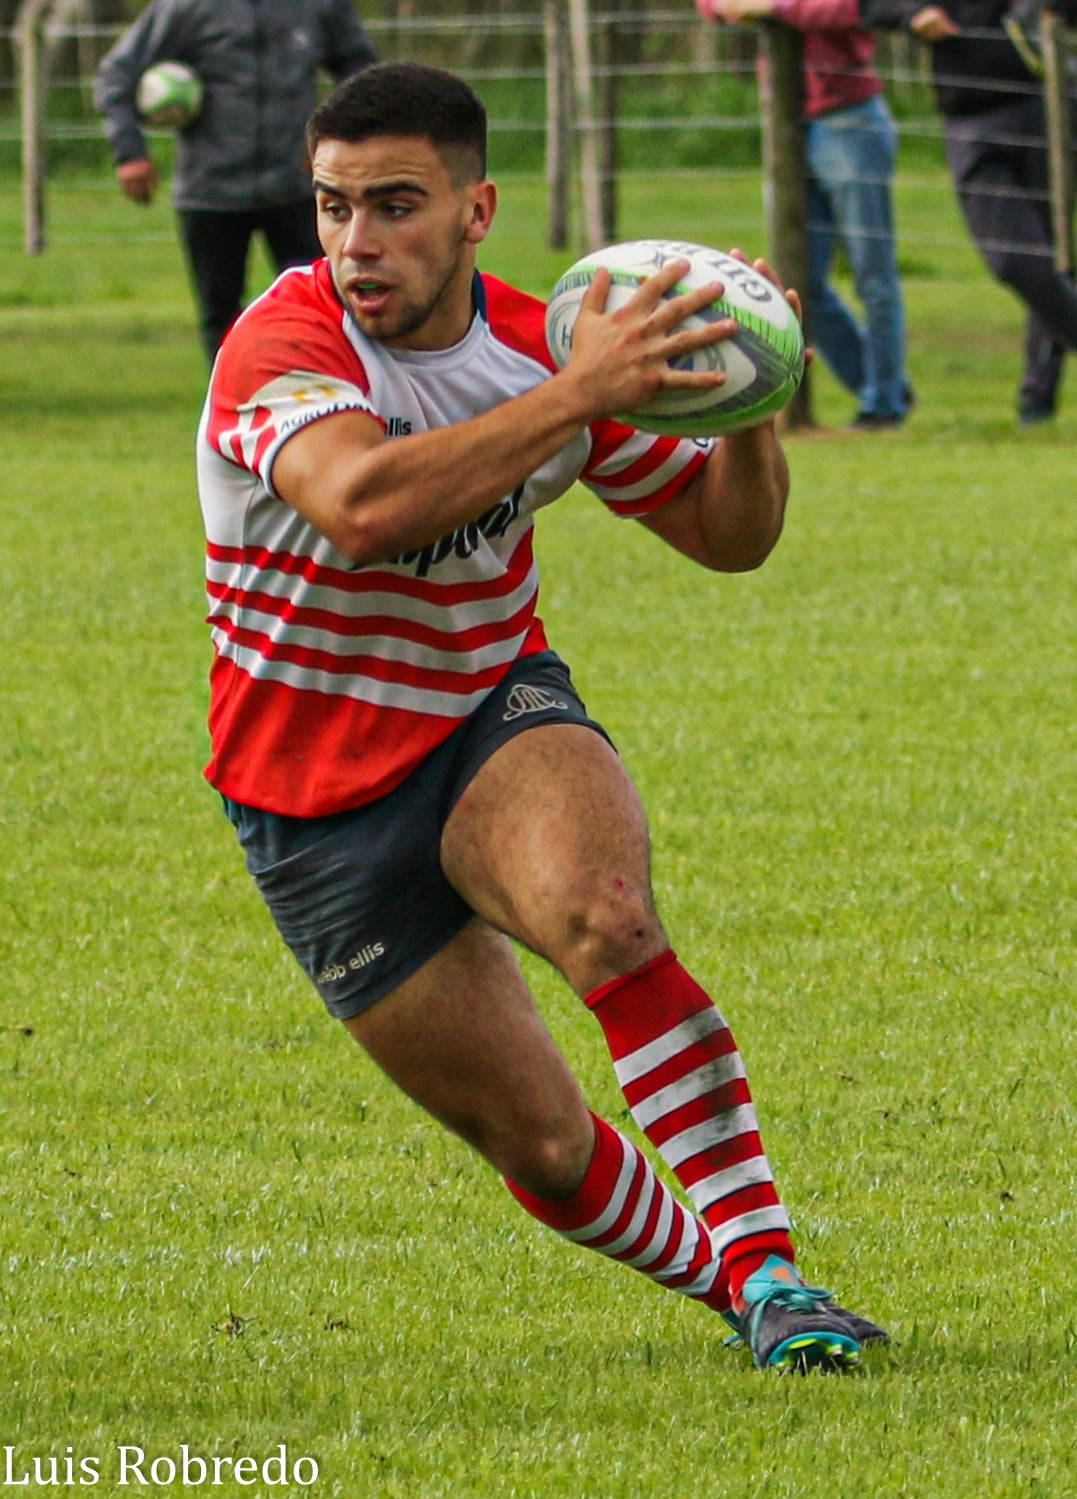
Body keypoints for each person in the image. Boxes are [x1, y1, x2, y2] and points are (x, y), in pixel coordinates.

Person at [196, 60, 887, 1373]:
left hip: (486, 715)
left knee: (604, 914)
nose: (357, 242)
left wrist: (743, 401)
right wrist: (585, 391)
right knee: (546, 1142)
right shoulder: (280, 346)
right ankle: (730, 1286)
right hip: (308, 797)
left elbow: (726, 540)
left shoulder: (534, 345)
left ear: (476, 209)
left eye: (396, 204)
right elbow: (363, 504)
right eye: (334, 206)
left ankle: (774, 1273)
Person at [94, 0, 378, 361]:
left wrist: (334, 138)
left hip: (299, 188)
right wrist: (130, 153)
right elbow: (116, 75)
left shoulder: (317, 5)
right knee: (221, 319)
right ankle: (231, 411)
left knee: (325, 308)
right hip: (209, 192)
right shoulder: (186, 8)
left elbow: (363, 72)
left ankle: (328, 402)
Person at [699, 0, 913, 428]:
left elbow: (848, 9)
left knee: (873, 274)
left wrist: (772, 6)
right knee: (800, 282)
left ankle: (883, 404)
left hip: (849, 118)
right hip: (785, 120)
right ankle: (882, 385)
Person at [861, 0, 1077, 423]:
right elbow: (870, 5)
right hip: (969, 116)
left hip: (1047, 104)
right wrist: (914, 15)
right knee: (1016, 261)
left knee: (1054, 257)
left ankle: (1036, 403)